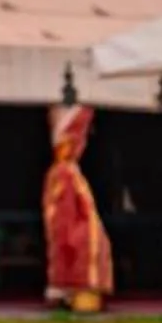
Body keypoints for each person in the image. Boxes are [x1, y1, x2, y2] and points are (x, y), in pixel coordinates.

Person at [41, 103, 112, 311]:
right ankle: (68, 291)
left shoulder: (66, 172)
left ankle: (71, 293)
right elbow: (65, 213)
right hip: (71, 229)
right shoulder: (64, 173)